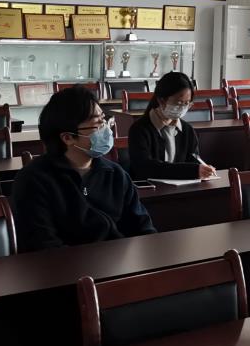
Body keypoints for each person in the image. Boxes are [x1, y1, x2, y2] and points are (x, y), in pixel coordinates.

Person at [12, 85, 156, 252]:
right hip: (66, 266)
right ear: (67, 138)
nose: (106, 129)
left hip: (118, 261)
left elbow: (143, 228)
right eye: (97, 124)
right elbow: (44, 246)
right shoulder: (33, 180)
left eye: (104, 120)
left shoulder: (115, 174)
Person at [127, 71, 218, 181]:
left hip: (182, 189)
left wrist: (203, 169)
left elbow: (193, 160)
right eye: (179, 103)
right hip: (150, 189)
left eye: (186, 103)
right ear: (161, 100)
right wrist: (192, 170)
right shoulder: (139, 129)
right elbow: (145, 167)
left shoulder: (187, 130)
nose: (182, 108)